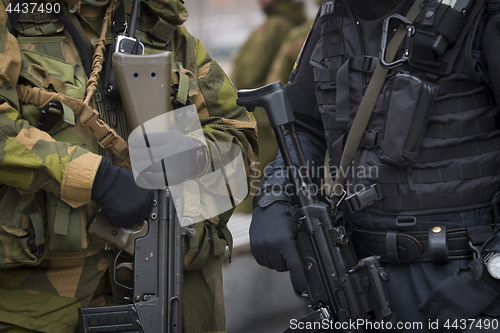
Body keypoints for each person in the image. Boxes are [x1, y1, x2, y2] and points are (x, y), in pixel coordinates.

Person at [0, 0, 258, 332]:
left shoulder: (164, 29)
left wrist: (193, 155)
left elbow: (240, 138)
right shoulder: (13, 16)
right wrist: (95, 178)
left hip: (173, 292)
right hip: (38, 305)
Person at [250, 0, 500, 332]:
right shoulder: (332, 16)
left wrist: (493, 273)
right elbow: (305, 126)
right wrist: (275, 194)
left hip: (465, 273)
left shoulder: (480, 12)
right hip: (360, 281)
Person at [231, 0, 306, 215]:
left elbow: (248, 71)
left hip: (258, 118)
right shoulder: (297, 24)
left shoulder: (274, 26)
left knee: (248, 183)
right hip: (275, 116)